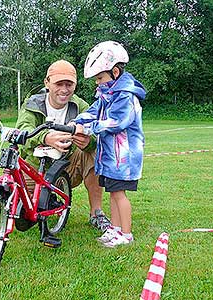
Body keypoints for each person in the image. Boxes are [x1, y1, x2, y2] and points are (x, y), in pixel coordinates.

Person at [15, 59, 111, 232]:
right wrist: (46, 137)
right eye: (59, 83)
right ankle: (42, 201)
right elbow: (23, 131)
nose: (64, 90)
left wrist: (90, 142)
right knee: (22, 214)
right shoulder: (32, 104)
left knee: (95, 151)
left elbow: (98, 130)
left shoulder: (81, 106)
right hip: (36, 169)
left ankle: (96, 213)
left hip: (67, 167)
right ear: (47, 82)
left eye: (69, 84)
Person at [72, 41, 146, 248]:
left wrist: (88, 128)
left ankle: (126, 234)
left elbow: (117, 121)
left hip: (124, 158)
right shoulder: (107, 94)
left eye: (99, 78)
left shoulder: (125, 96)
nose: (97, 83)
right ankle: (114, 229)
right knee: (112, 193)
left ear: (115, 72)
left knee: (119, 195)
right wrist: (76, 122)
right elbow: (94, 110)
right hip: (110, 157)